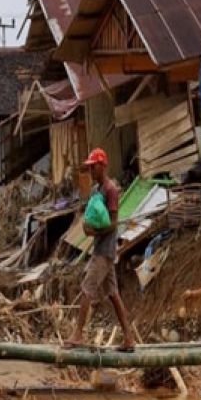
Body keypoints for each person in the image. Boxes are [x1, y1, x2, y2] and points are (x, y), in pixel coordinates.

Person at [68, 148, 138, 351]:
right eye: (89, 167)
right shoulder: (97, 191)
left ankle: (78, 333)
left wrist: (94, 230)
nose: (90, 171)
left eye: (93, 167)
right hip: (101, 249)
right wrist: (87, 227)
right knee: (113, 294)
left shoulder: (111, 190)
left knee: (86, 289)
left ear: (102, 166)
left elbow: (114, 223)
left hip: (104, 251)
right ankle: (128, 339)